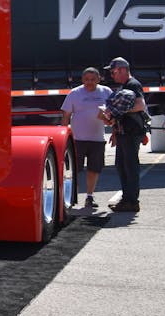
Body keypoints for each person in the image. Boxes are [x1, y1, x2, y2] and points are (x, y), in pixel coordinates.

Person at [100, 56, 147, 213]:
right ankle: (127, 198)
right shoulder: (126, 85)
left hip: (131, 131)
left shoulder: (133, 84)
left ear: (122, 70)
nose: (112, 76)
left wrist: (117, 111)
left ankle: (132, 201)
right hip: (124, 132)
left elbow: (140, 105)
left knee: (129, 167)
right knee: (122, 166)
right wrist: (115, 130)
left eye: (113, 72)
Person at [61, 67, 112, 209]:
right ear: (82, 80)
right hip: (78, 139)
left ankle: (89, 197)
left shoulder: (106, 92)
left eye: (93, 79)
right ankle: (70, 197)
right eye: (86, 79)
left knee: (94, 169)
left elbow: (114, 113)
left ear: (99, 79)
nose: (89, 82)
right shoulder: (75, 93)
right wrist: (64, 138)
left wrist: (114, 132)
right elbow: (66, 116)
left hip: (97, 139)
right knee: (73, 170)